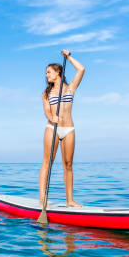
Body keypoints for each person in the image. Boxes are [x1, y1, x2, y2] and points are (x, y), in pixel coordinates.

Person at [39, 50, 85, 208]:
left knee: (68, 165)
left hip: (69, 129)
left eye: (49, 72)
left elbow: (81, 69)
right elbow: (46, 111)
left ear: (58, 72)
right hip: (52, 128)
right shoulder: (46, 93)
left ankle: (70, 200)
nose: (46, 75)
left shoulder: (71, 88)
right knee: (48, 162)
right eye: (46, 73)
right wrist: (52, 118)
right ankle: (42, 198)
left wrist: (69, 58)